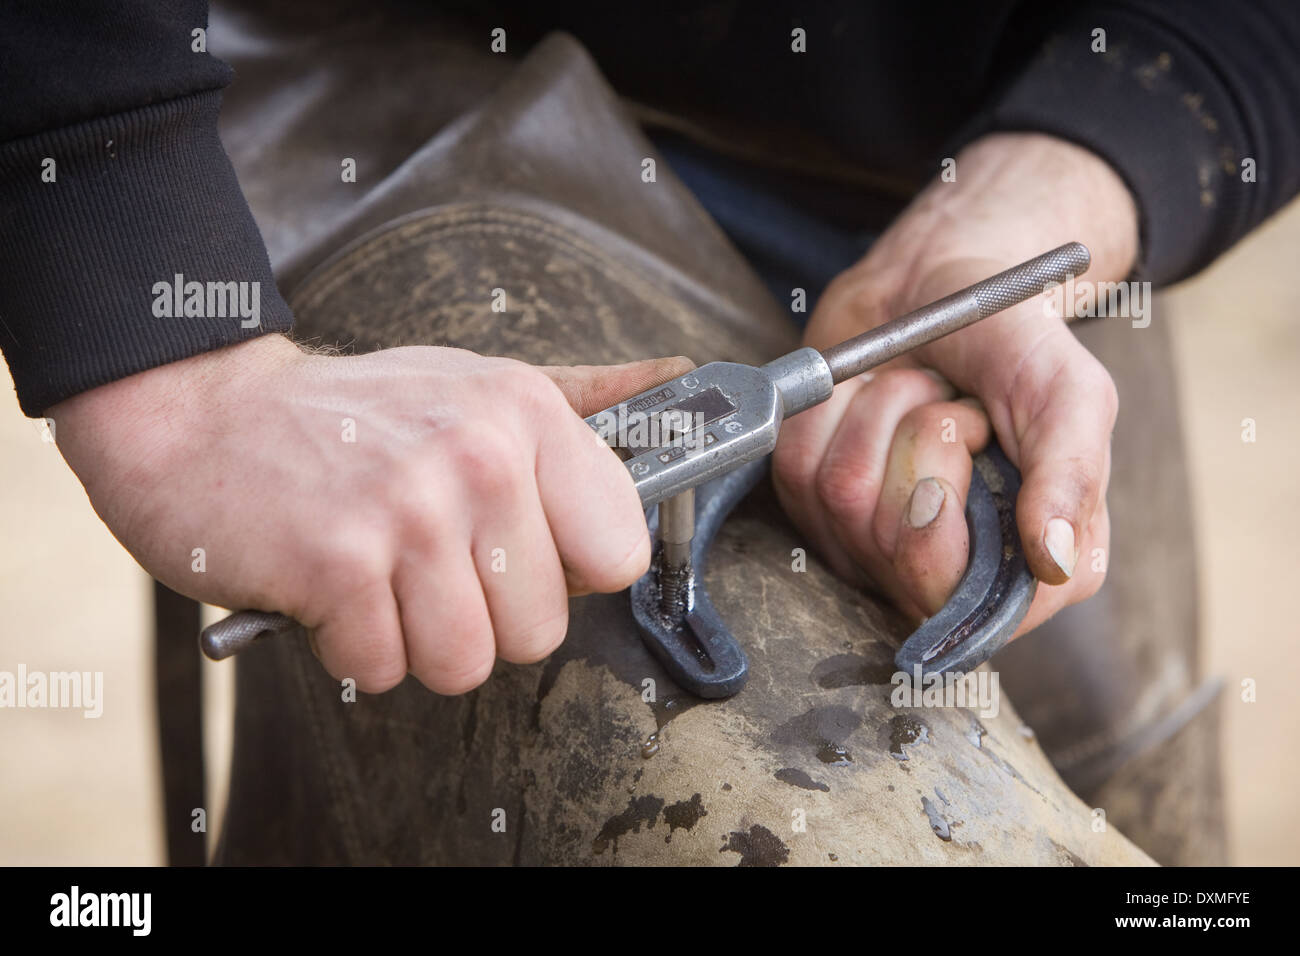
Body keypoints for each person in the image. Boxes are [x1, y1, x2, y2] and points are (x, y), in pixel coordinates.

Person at [3, 0, 1298, 702]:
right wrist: (172, 352)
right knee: (514, 655)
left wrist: (1069, 172)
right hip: (389, 67)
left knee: (1098, 721)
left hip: (1009, 120)